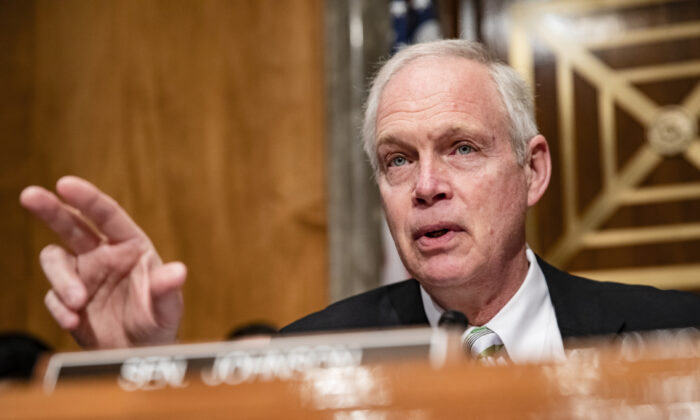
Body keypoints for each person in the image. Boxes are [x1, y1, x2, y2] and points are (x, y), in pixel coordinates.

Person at [20, 40, 700, 362]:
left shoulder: (678, 336)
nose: (426, 186)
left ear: (533, 170)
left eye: (462, 147)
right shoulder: (303, 355)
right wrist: (136, 370)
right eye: (398, 160)